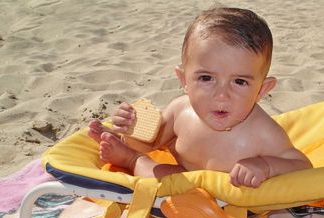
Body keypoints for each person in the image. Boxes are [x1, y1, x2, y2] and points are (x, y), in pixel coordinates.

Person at [88, 7, 311, 188]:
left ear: (262, 90)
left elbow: (303, 167)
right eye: (206, 78)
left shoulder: (263, 132)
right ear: (184, 80)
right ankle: (129, 158)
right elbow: (152, 144)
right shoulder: (180, 111)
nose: (221, 95)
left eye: (240, 82)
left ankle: (127, 155)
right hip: (185, 177)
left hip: (229, 195)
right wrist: (133, 131)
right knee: (156, 175)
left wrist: (266, 166)